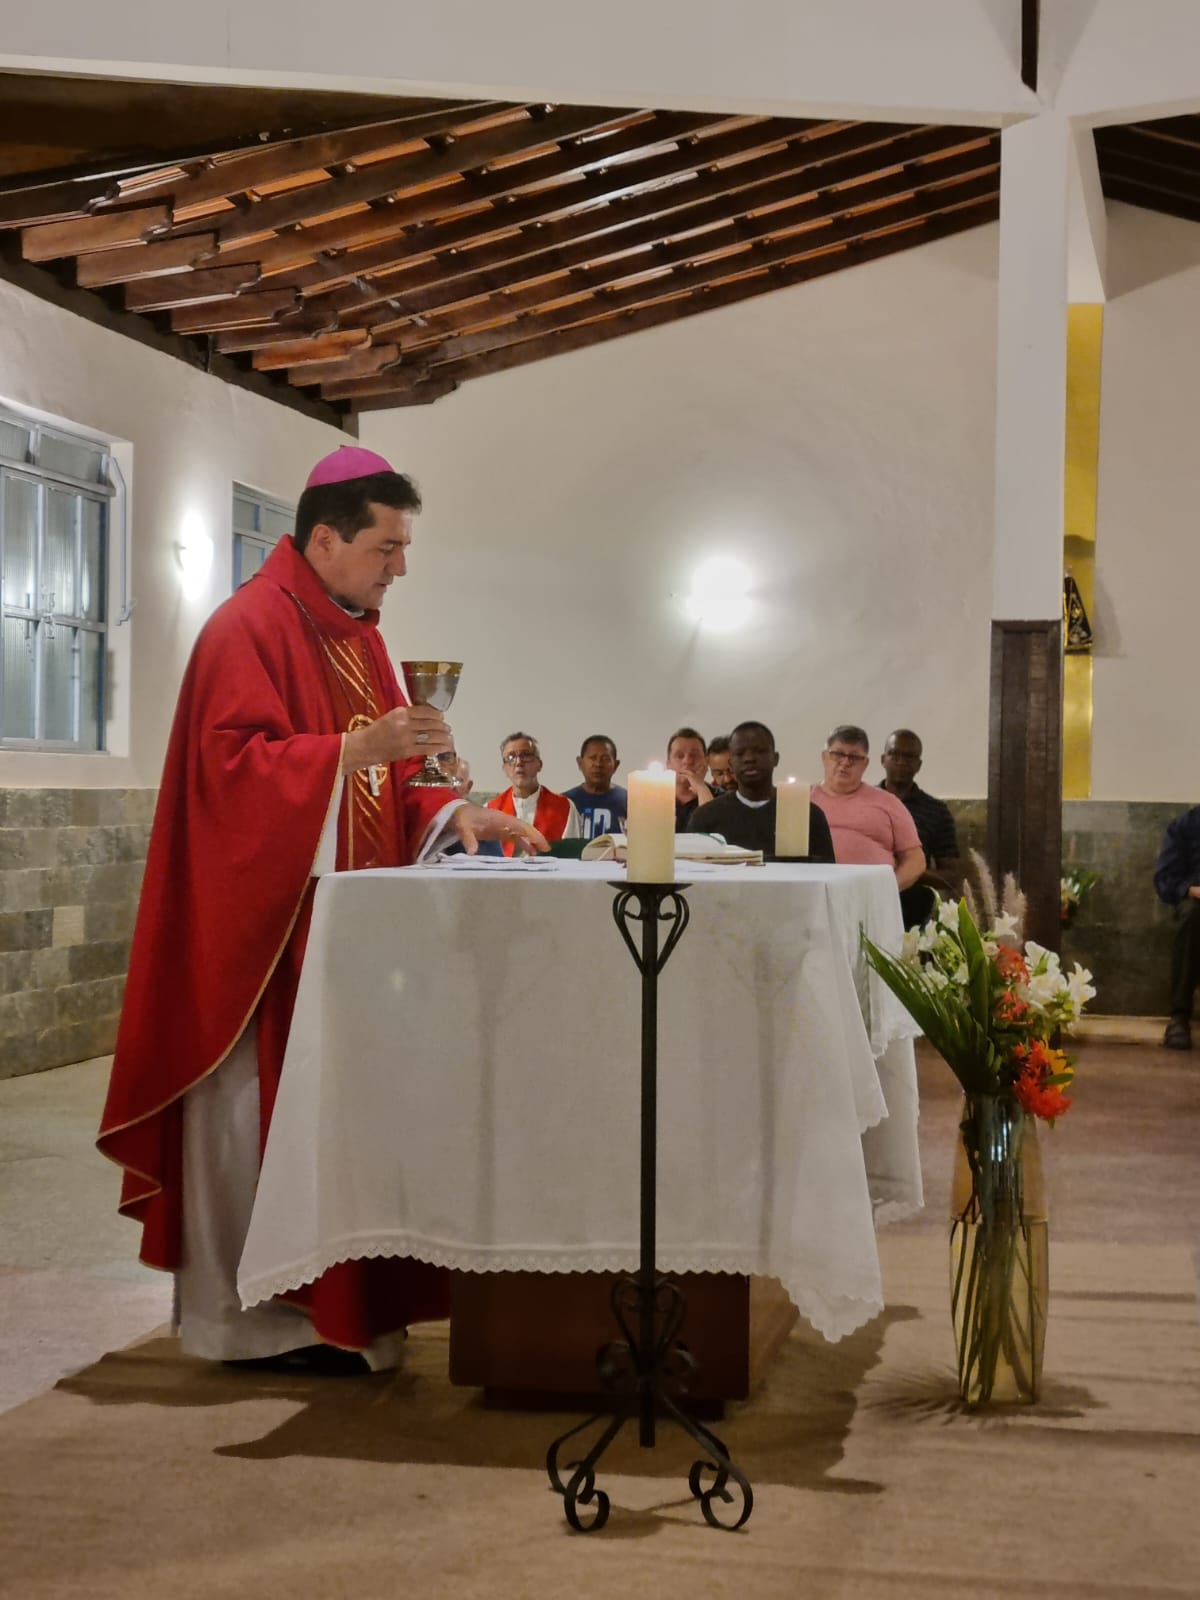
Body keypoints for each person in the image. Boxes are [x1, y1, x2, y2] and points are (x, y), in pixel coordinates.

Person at [97, 445, 546, 1374]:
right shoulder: (245, 628)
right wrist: (352, 748)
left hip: (352, 948)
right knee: (255, 1127)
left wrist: (456, 811)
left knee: (346, 1132)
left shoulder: (363, 639)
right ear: (326, 539)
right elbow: (229, 777)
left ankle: (343, 1316)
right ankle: (253, 1325)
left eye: (404, 548)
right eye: (388, 548)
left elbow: (390, 784)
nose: (401, 568)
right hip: (264, 949)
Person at [811, 724, 928, 925]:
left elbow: (916, 860)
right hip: (816, 903)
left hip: (874, 905)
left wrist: (887, 890)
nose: (845, 762)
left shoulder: (888, 803)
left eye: (854, 757)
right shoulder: (802, 800)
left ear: (865, 763)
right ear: (824, 757)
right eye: (838, 754)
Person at [688, 721, 834, 861]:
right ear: (731, 764)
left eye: (759, 751)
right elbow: (692, 871)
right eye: (740, 753)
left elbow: (827, 871)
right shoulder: (705, 818)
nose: (749, 759)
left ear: (775, 759)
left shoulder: (808, 816)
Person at [879, 728, 964, 895]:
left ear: (918, 765)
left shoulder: (936, 811)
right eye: (894, 755)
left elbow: (952, 876)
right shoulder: (864, 803)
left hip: (915, 904)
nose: (901, 762)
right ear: (883, 760)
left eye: (909, 757)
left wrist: (911, 869)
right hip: (867, 899)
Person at [487, 732, 582, 853]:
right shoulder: (490, 811)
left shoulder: (565, 807)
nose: (518, 762)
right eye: (511, 757)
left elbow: (572, 855)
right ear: (504, 769)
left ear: (539, 765)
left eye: (526, 755)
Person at [1153, 805, 1200, 1049]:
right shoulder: (1186, 825)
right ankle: (1179, 1017)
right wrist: (1191, 889)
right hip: (1197, 902)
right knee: (1193, 918)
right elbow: (1165, 878)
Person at [563, 734, 629, 840]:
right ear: (580, 763)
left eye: (605, 759)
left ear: (616, 765)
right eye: (592, 758)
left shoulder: (630, 802)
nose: (598, 764)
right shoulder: (565, 802)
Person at [667, 725, 713, 828]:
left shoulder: (720, 796)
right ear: (669, 765)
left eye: (694, 755)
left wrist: (701, 788)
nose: (687, 761)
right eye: (680, 756)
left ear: (706, 761)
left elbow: (713, 826)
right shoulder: (655, 798)